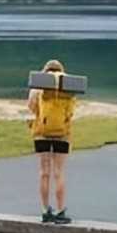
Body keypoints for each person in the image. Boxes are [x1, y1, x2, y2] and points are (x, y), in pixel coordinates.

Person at [28, 58, 75, 223]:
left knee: (44, 173)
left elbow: (31, 107)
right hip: (63, 134)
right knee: (59, 173)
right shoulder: (68, 88)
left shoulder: (38, 87)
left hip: (41, 133)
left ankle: (45, 210)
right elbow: (70, 113)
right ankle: (61, 211)